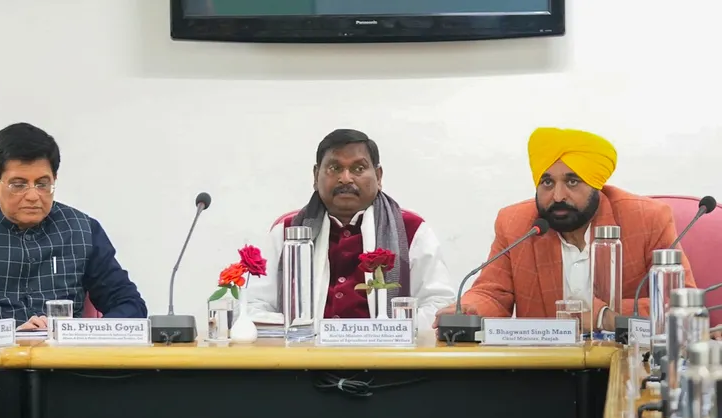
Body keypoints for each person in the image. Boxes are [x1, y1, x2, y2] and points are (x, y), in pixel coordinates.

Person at [433, 127, 699, 333]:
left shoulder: (646, 219)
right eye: (547, 182)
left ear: (597, 185)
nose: (558, 195)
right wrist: (469, 309)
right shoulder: (516, 223)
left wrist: (603, 317)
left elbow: (681, 306)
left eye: (572, 181)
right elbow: (492, 292)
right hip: (544, 371)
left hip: (624, 362)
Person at [0, 122, 146, 329]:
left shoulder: (82, 230)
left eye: (42, 184)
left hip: (64, 363)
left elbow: (129, 304)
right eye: (18, 185)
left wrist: (80, 332)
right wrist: (5, 334)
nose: (33, 196)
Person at [247, 129, 457, 331]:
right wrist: (300, 329)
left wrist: (386, 332)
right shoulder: (288, 230)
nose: (346, 178)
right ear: (315, 175)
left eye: (358, 168)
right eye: (334, 168)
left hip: (387, 361)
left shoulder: (411, 229)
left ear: (378, 176)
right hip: (304, 359)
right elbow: (255, 304)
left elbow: (438, 304)